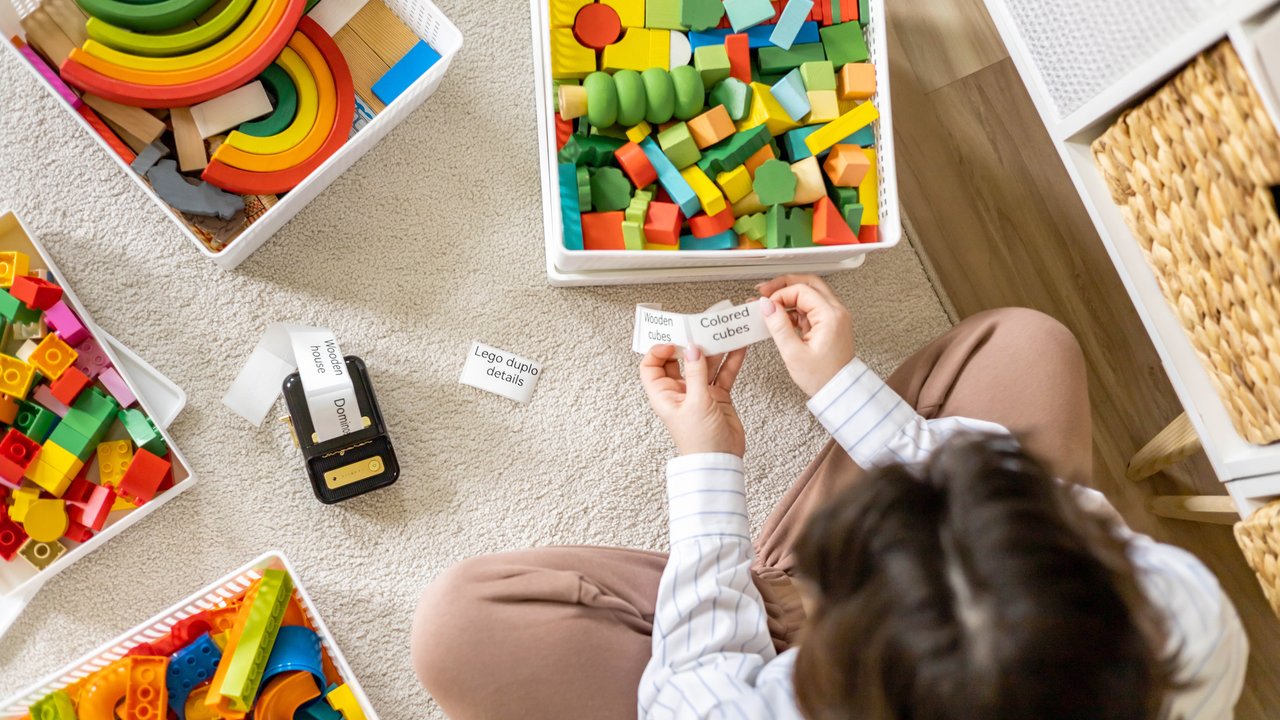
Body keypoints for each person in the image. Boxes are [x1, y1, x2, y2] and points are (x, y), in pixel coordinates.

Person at [411, 275, 1247, 719]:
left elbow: (694, 693)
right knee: (1027, 343)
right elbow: (987, 476)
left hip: (735, 689)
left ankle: (766, 591)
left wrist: (710, 463)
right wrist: (839, 384)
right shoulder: (1182, 611)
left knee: (461, 628)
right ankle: (777, 585)